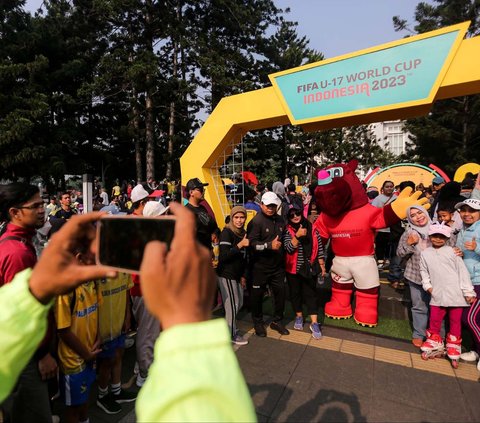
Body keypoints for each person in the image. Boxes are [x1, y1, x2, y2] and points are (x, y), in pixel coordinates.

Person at [0, 207, 256, 422]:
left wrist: (29, 294)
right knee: (77, 402)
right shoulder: (45, 274)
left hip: (98, 340)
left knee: (112, 365)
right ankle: (129, 382)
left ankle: (110, 393)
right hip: (76, 356)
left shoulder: (105, 271)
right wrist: (190, 328)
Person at [0, 183, 58, 423]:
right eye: (35, 206)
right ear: (15, 212)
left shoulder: (19, 241)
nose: (42, 209)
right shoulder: (17, 252)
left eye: (42, 203)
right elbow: (24, 313)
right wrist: (43, 354)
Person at [54, 245, 102, 423]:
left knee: (84, 398)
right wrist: (86, 353)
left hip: (90, 354)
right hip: (73, 360)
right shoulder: (66, 288)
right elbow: (63, 330)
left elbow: (96, 310)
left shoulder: (92, 281)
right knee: (73, 407)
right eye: (95, 258)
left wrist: (98, 337)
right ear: (80, 258)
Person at [419, 223, 476, 365]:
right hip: (437, 294)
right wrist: (428, 287)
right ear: (430, 236)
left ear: (447, 237)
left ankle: (454, 344)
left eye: (442, 237)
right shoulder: (425, 253)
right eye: (435, 236)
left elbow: (462, 272)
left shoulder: (452, 251)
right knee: (434, 319)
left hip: (456, 294)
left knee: (455, 321)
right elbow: (423, 271)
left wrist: (468, 291)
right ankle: (434, 341)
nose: (438, 239)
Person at [130, 184, 161, 387]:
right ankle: (144, 372)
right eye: (150, 200)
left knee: (147, 331)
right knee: (146, 332)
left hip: (140, 286)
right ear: (143, 203)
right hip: (141, 286)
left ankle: (141, 366)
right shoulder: (138, 226)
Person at [247, 191, 289, 337]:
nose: (270, 208)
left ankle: (277, 321)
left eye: (273, 205)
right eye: (267, 205)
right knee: (257, 296)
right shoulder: (256, 222)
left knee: (280, 295)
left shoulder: (280, 220)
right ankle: (258, 322)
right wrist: (268, 246)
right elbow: (251, 244)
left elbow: (284, 240)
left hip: (277, 267)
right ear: (261, 204)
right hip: (259, 267)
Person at [283, 204, 325, 339]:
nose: (295, 217)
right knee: (295, 294)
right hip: (293, 269)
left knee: (311, 295)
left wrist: (322, 264)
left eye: (297, 213)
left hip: (309, 267)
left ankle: (314, 322)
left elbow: (319, 247)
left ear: (302, 213)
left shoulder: (312, 228)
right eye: (291, 215)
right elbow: (288, 248)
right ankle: (299, 316)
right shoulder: (287, 230)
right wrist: (298, 235)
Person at [96, 273, 137, 414]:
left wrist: (127, 315)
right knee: (108, 361)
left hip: (119, 321)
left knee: (120, 353)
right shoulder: (97, 266)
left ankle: (116, 391)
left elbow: (126, 290)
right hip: (104, 326)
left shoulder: (123, 262)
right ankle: (102, 395)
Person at [397, 206, 433, 347]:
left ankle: (437, 334)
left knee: (438, 307)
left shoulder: (438, 228)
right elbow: (400, 253)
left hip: (438, 277)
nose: (418, 217)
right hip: (415, 275)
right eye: (413, 215)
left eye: (420, 213)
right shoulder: (409, 232)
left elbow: (451, 245)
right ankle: (419, 333)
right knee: (419, 306)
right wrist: (409, 244)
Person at [217, 206, 249, 345]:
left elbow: (245, 258)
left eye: (242, 217)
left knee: (239, 303)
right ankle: (230, 334)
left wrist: (243, 276)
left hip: (237, 274)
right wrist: (240, 245)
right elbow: (223, 256)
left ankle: (226, 329)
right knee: (233, 304)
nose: (239, 220)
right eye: (236, 217)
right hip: (226, 274)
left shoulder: (244, 233)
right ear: (231, 218)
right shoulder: (227, 232)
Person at [454, 198, 480, 368]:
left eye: (472, 211)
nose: (467, 214)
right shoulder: (462, 230)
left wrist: (476, 248)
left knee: (470, 319)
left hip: (478, 281)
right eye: (464, 210)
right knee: (470, 319)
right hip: (466, 281)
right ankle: (476, 350)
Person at [185, 178, 219, 250]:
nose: (203, 191)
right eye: (200, 189)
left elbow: (214, 226)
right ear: (191, 193)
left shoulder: (203, 208)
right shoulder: (186, 211)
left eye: (203, 189)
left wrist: (215, 233)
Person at [371, 180, 397, 269]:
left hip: (393, 227)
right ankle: (380, 260)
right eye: (387, 187)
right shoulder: (378, 199)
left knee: (390, 245)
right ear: (383, 188)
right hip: (381, 227)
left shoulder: (396, 198)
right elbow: (373, 211)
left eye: (391, 186)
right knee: (380, 245)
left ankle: (388, 260)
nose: (389, 188)